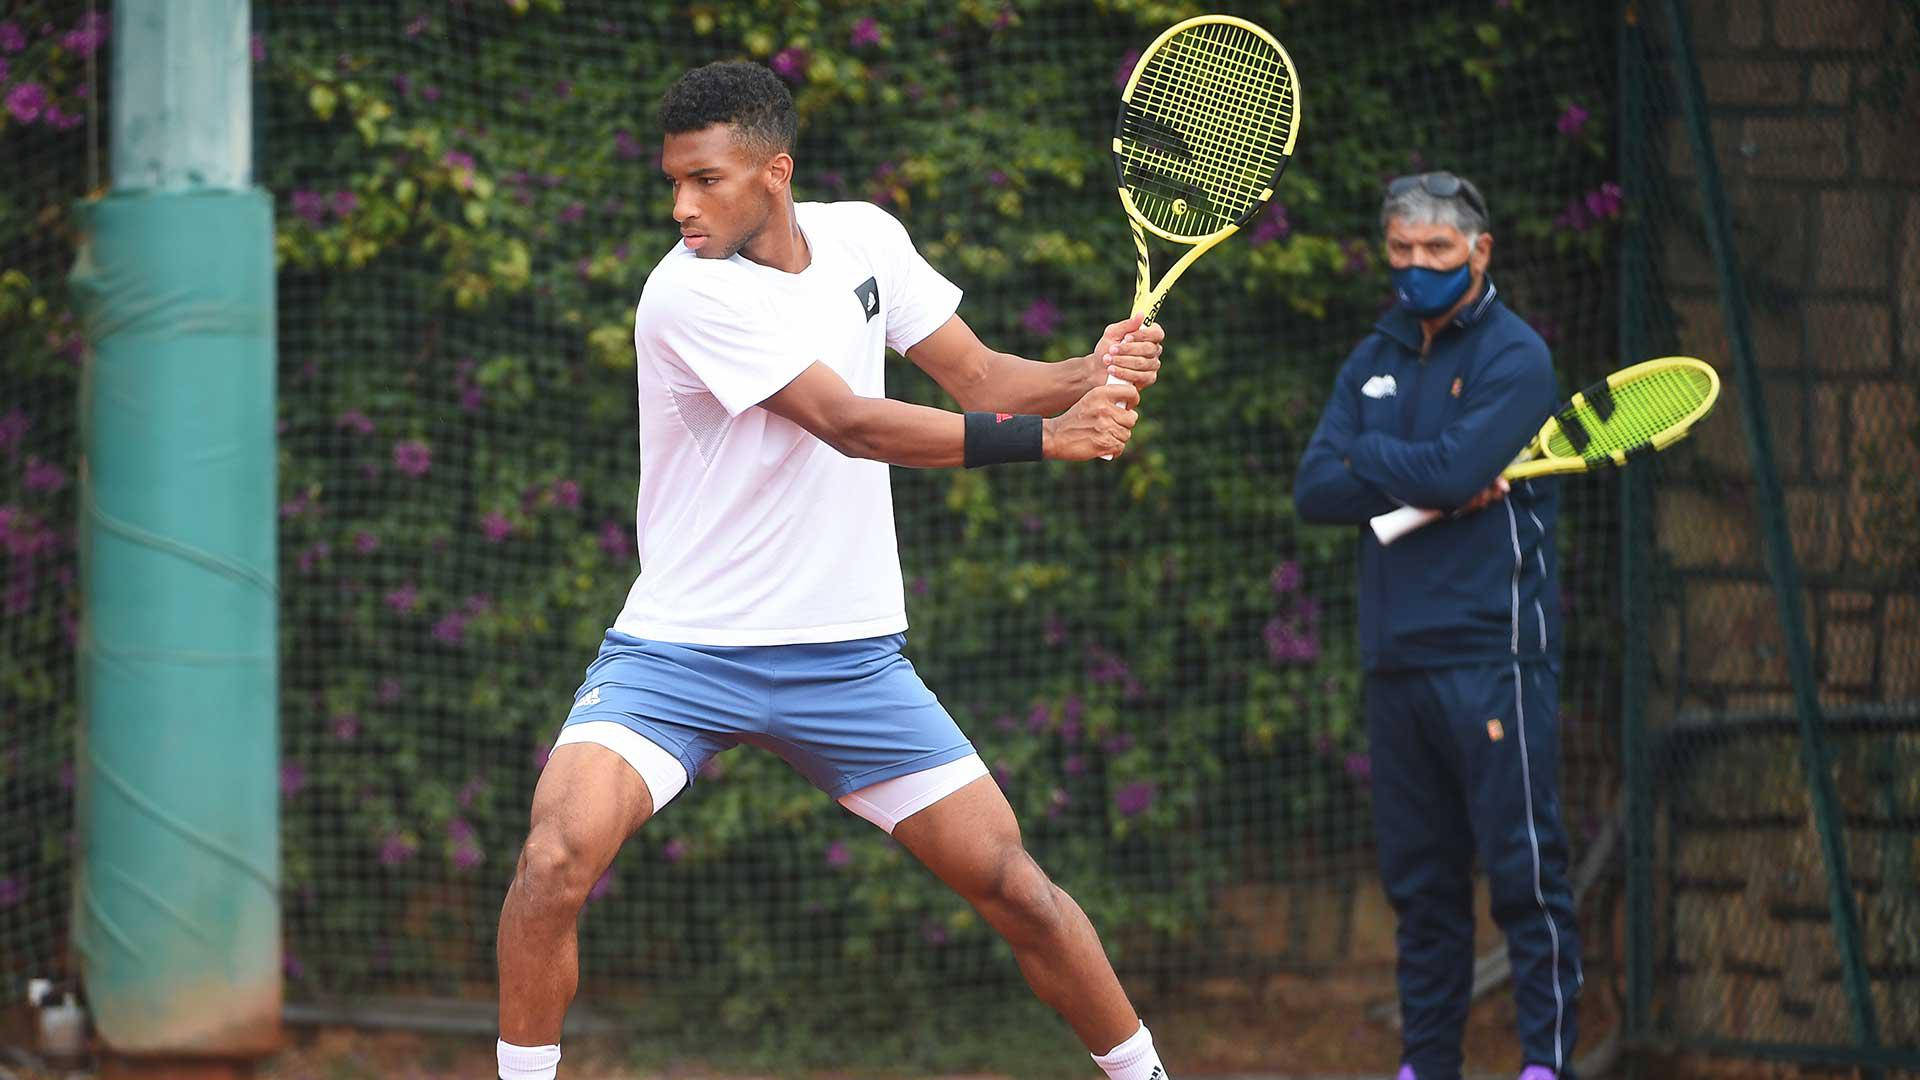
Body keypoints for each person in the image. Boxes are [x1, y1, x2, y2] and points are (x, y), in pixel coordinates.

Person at [493, 61, 1173, 1080]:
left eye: (706, 180)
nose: (681, 205)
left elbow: (981, 375)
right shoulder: (686, 293)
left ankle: (1146, 1076)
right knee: (553, 859)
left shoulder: (865, 237)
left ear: (777, 172)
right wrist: (1050, 442)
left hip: (848, 660)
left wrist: (1091, 370)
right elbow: (850, 425)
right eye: (672, 182)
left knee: (1017, 888)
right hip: (681, 651)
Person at [1292, 172, 1582, 1080]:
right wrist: (1422, 468)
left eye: (1437, 252)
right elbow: (1315, 488)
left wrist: (1383, 460)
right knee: (1422, 892)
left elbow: (1453, 479)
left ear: (1479, 251)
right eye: (1402, 251)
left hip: (1492, 654)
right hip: (1397, 659)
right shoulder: (1373, 351)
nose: (1416, 268)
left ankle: (1547, 1066)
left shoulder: (1516, 357)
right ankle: (1427, 1067)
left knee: (1525, 878)